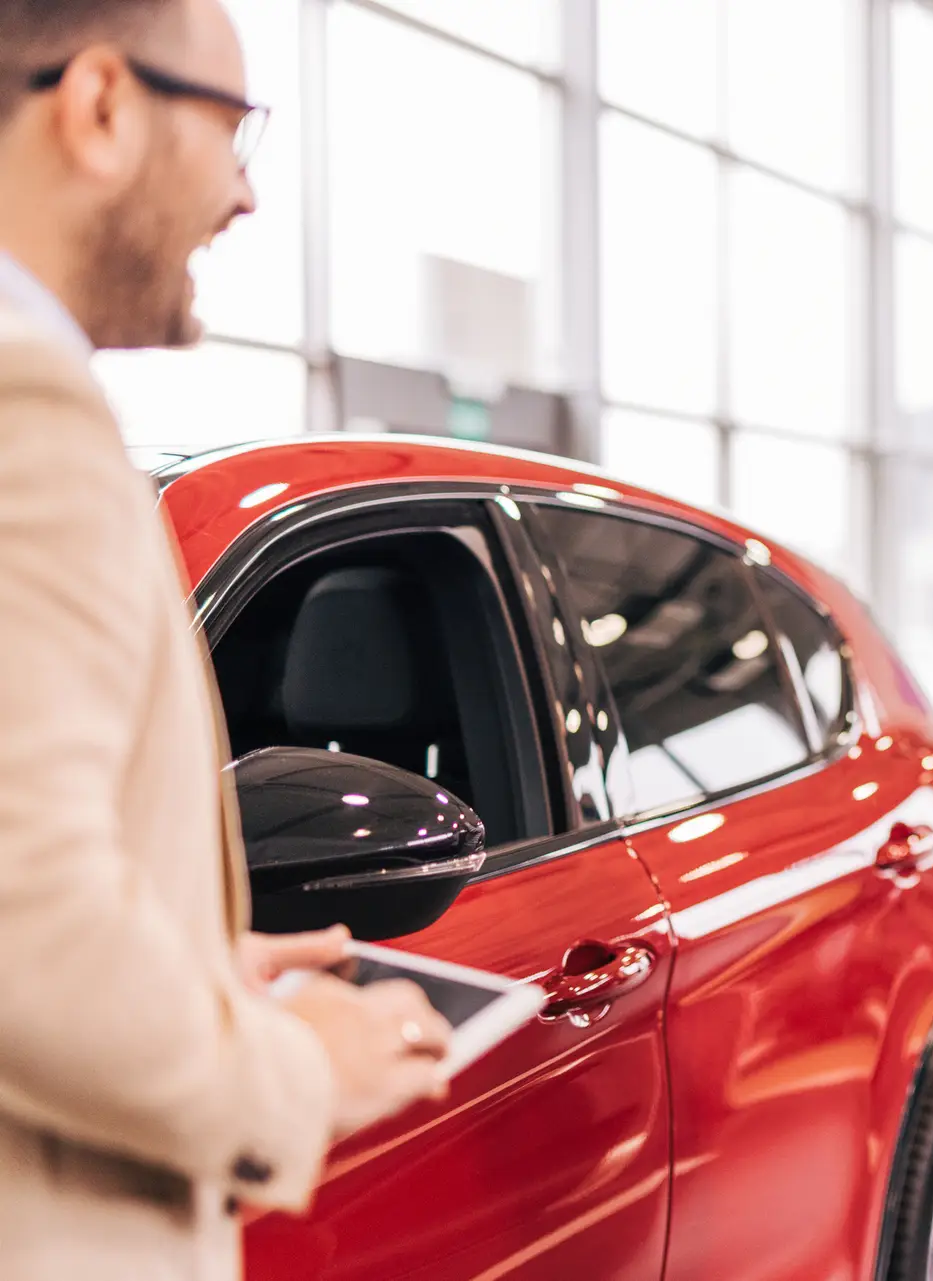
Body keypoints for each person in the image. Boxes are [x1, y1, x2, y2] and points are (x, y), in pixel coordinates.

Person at [0, 2, 455, 1276]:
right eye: (233, 129)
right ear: (100, 105)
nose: (248, 194)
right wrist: (300, 1067)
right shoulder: (27, 415)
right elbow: (20, 922)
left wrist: (192, 958)